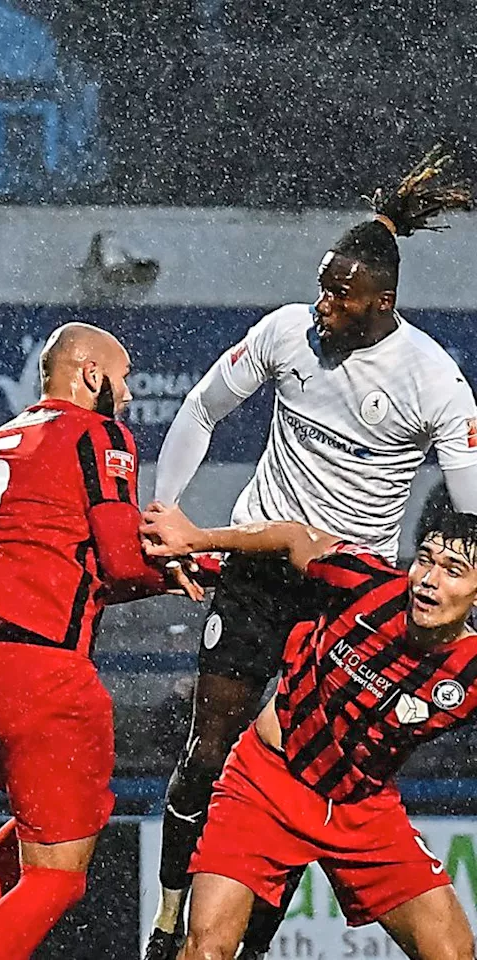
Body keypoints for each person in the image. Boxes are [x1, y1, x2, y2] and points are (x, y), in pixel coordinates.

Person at [142, 147, 477, 960]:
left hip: (349, 592)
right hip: (260, 563)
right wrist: (169, 518)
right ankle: (168, 915)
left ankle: (246, 934)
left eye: (341, 294)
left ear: (382, 302)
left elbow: (472, 516)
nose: (323, 305)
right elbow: (200, 407)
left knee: (306, 761)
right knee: (213, 742)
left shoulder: (435, 382)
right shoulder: (285, 332)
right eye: (323, 286)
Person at [0, 323, 202, 960]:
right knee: (59, 875)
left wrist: (160, 576)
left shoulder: (3, 437)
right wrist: (198, 560)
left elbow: (73, 567)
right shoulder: (97, 432)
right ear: (92, 374)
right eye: (123, 379)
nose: (128, 396)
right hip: (40, 676)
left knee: (38, 829)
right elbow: (123, 562)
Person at [141, 502, 477, 960]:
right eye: (425, 560)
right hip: (265, 784)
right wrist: (198, 538)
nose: (429, 580)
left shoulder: (471, 673)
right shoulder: (366, 583)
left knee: (454, 953)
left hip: (362, 810)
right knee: (206, 950)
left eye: (453, 570)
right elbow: (295, 538)